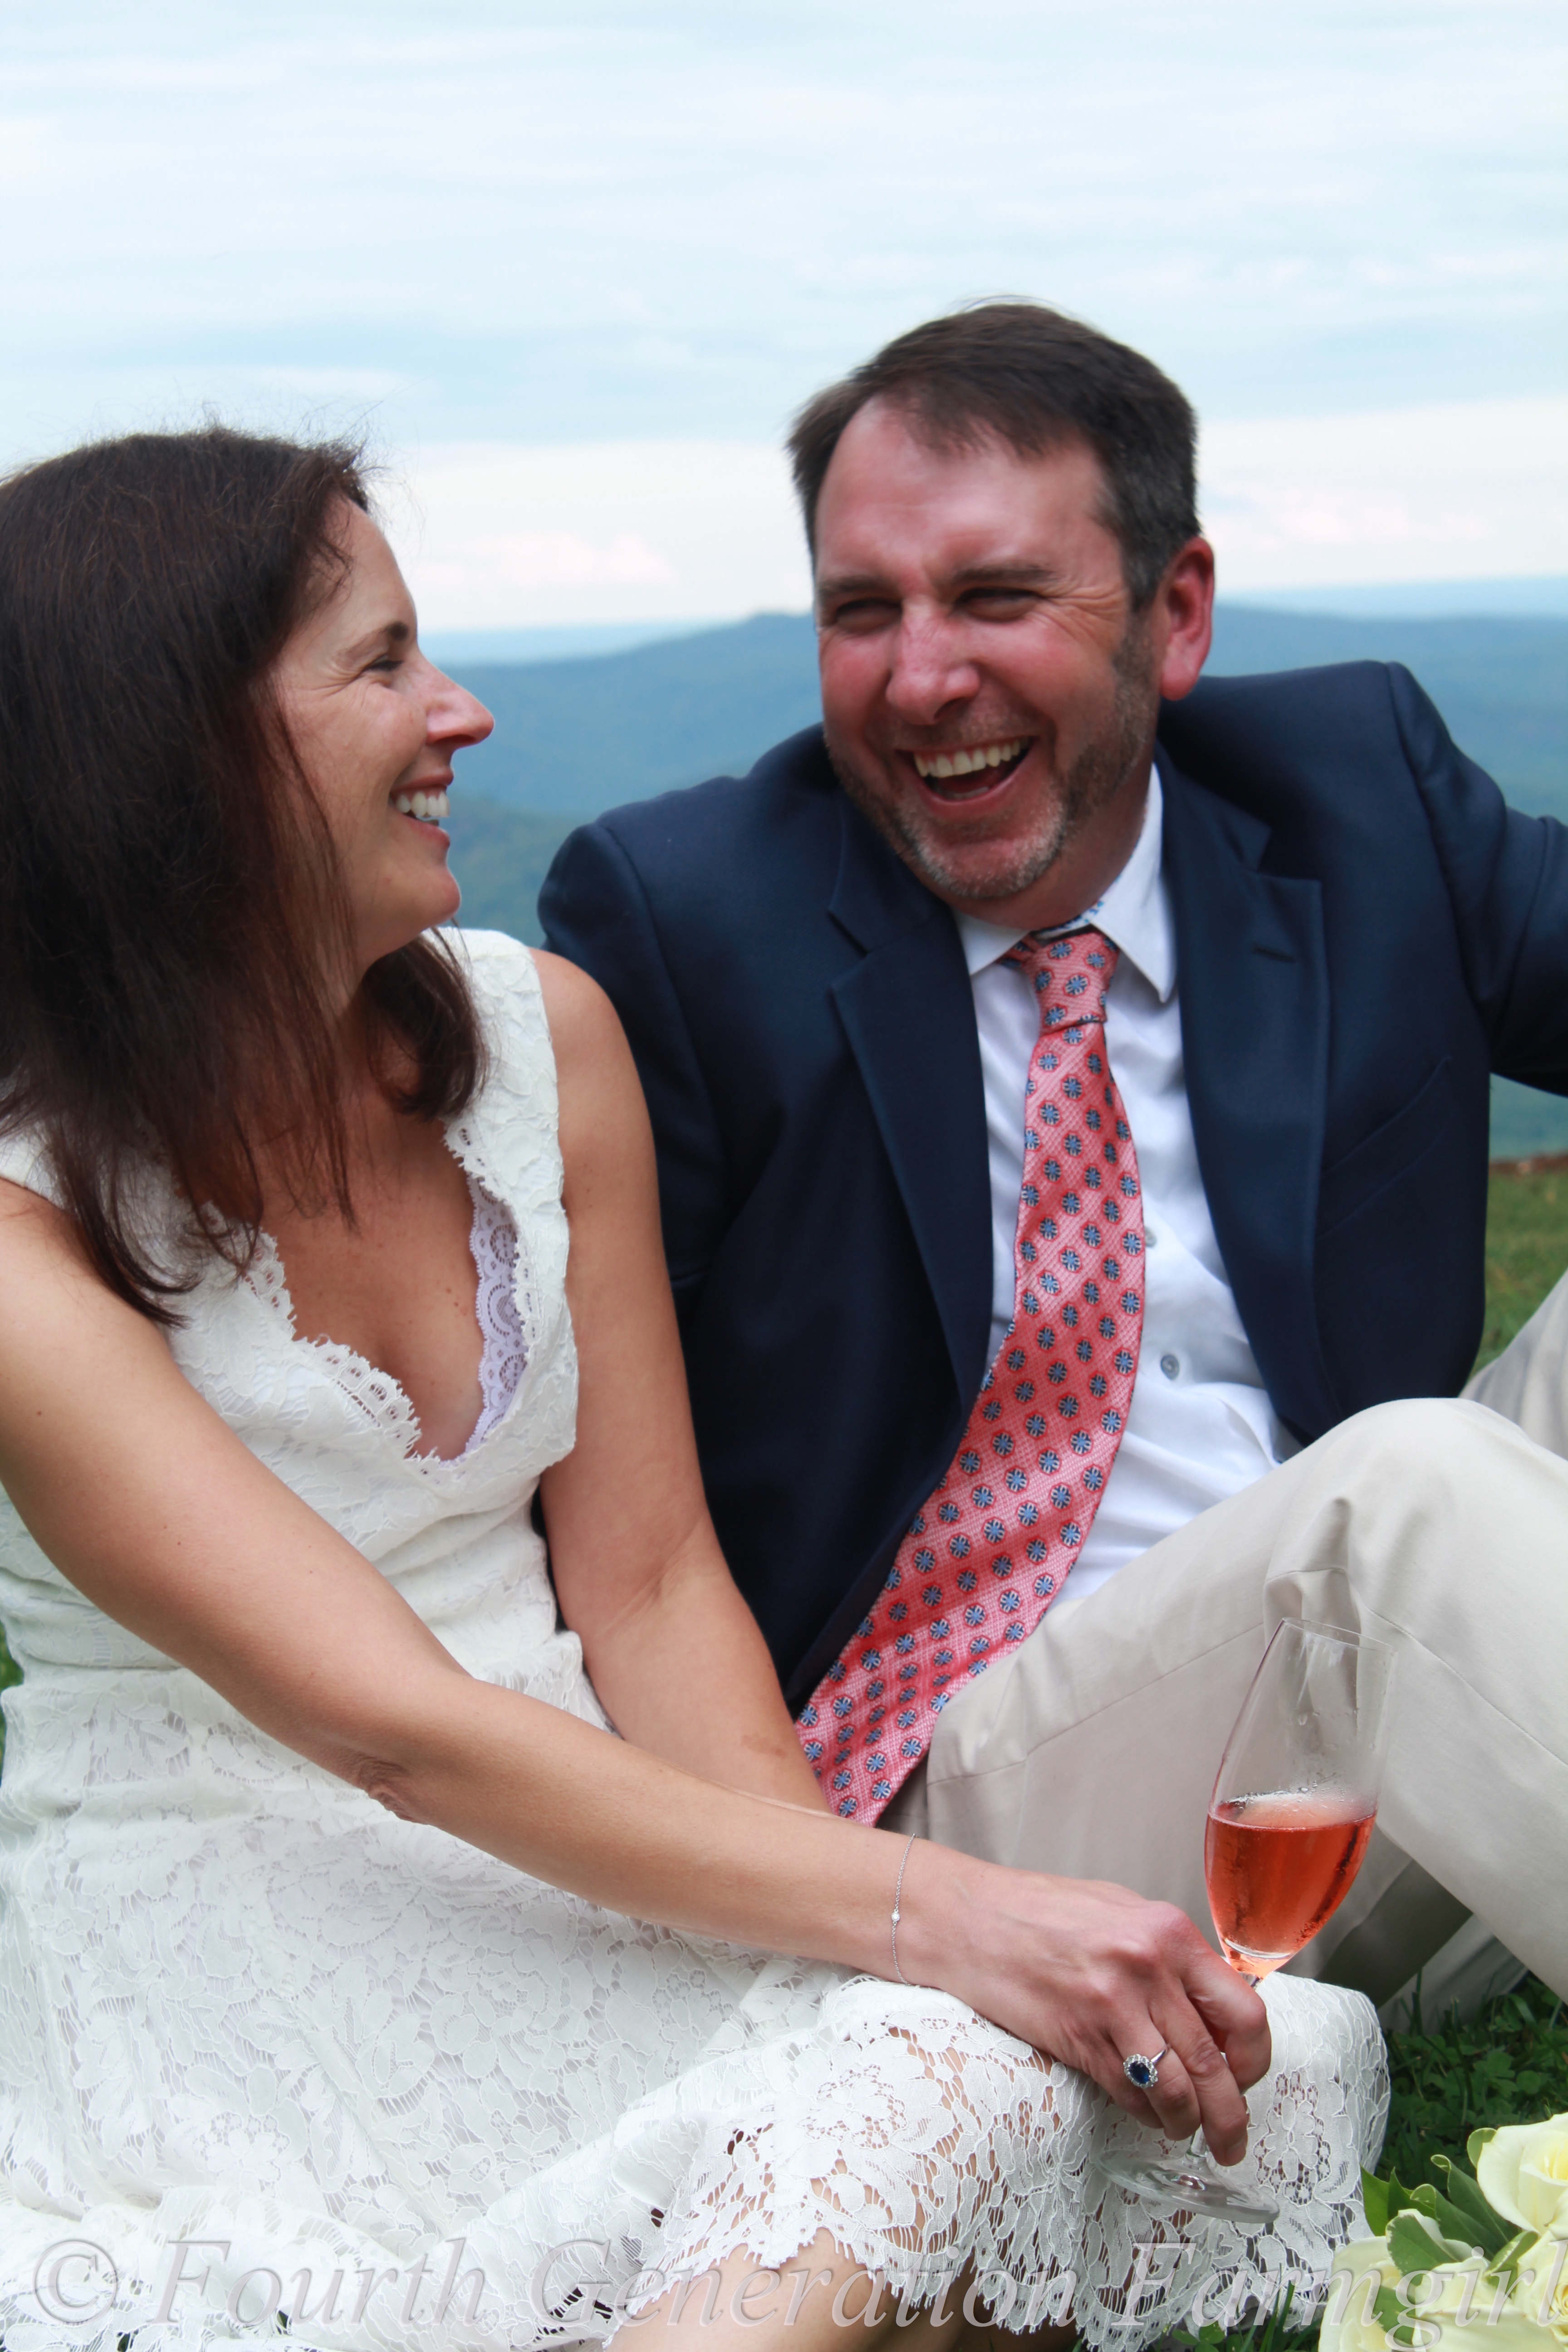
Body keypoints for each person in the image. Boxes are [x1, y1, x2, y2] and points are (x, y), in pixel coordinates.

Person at [0, 428, 1385, 2352]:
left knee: (1175, 2069)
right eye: (383, 663)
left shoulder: (539, 1042)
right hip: (244, 1905)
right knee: (951, 2089)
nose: (460, 712)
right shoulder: (21, 1232)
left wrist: (830, 1950)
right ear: (177, 757)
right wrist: (942, 1916)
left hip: (598, 1830)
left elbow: (650, 1584)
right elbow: (391, 1729)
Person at [538, 302, 1568, 2006]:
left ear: (1177, 615)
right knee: (1409, 1494)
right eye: (862, 611)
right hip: (966, 1810)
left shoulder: (1356, 791)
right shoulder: (687, 918)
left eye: (998, 596)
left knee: (1402, 1506)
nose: (922, 676)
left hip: (1351, 1725)